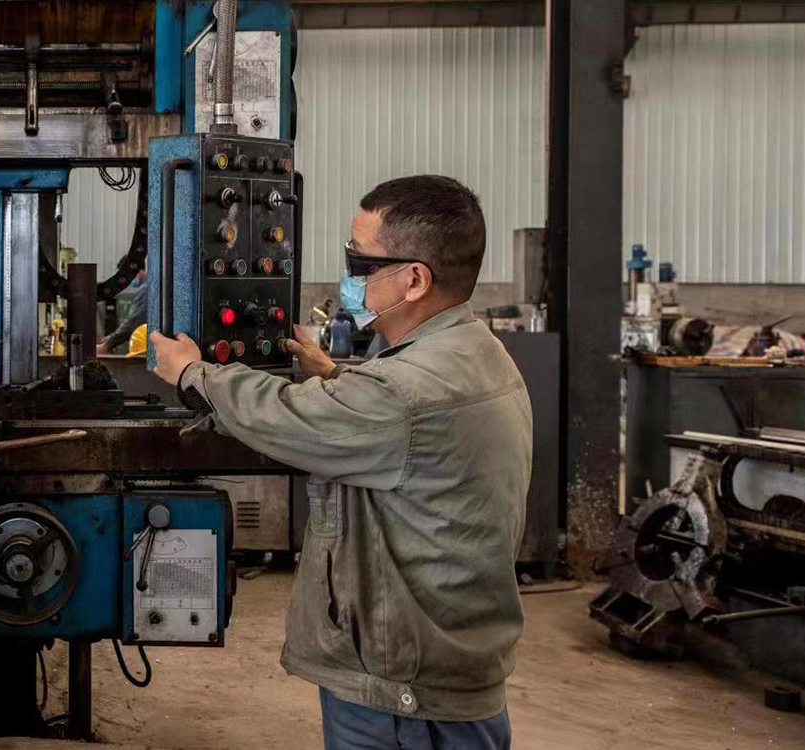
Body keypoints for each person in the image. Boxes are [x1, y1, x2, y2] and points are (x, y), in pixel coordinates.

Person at [149, 175, 531, 750]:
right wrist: (333, 375)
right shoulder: (477, 352)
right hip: (454, 672)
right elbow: (401, 414)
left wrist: (192, 373)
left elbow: (285, 416)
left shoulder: (403, 394)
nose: (350, 275)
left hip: (401, 696)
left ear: (415, 279)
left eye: (360, 261)